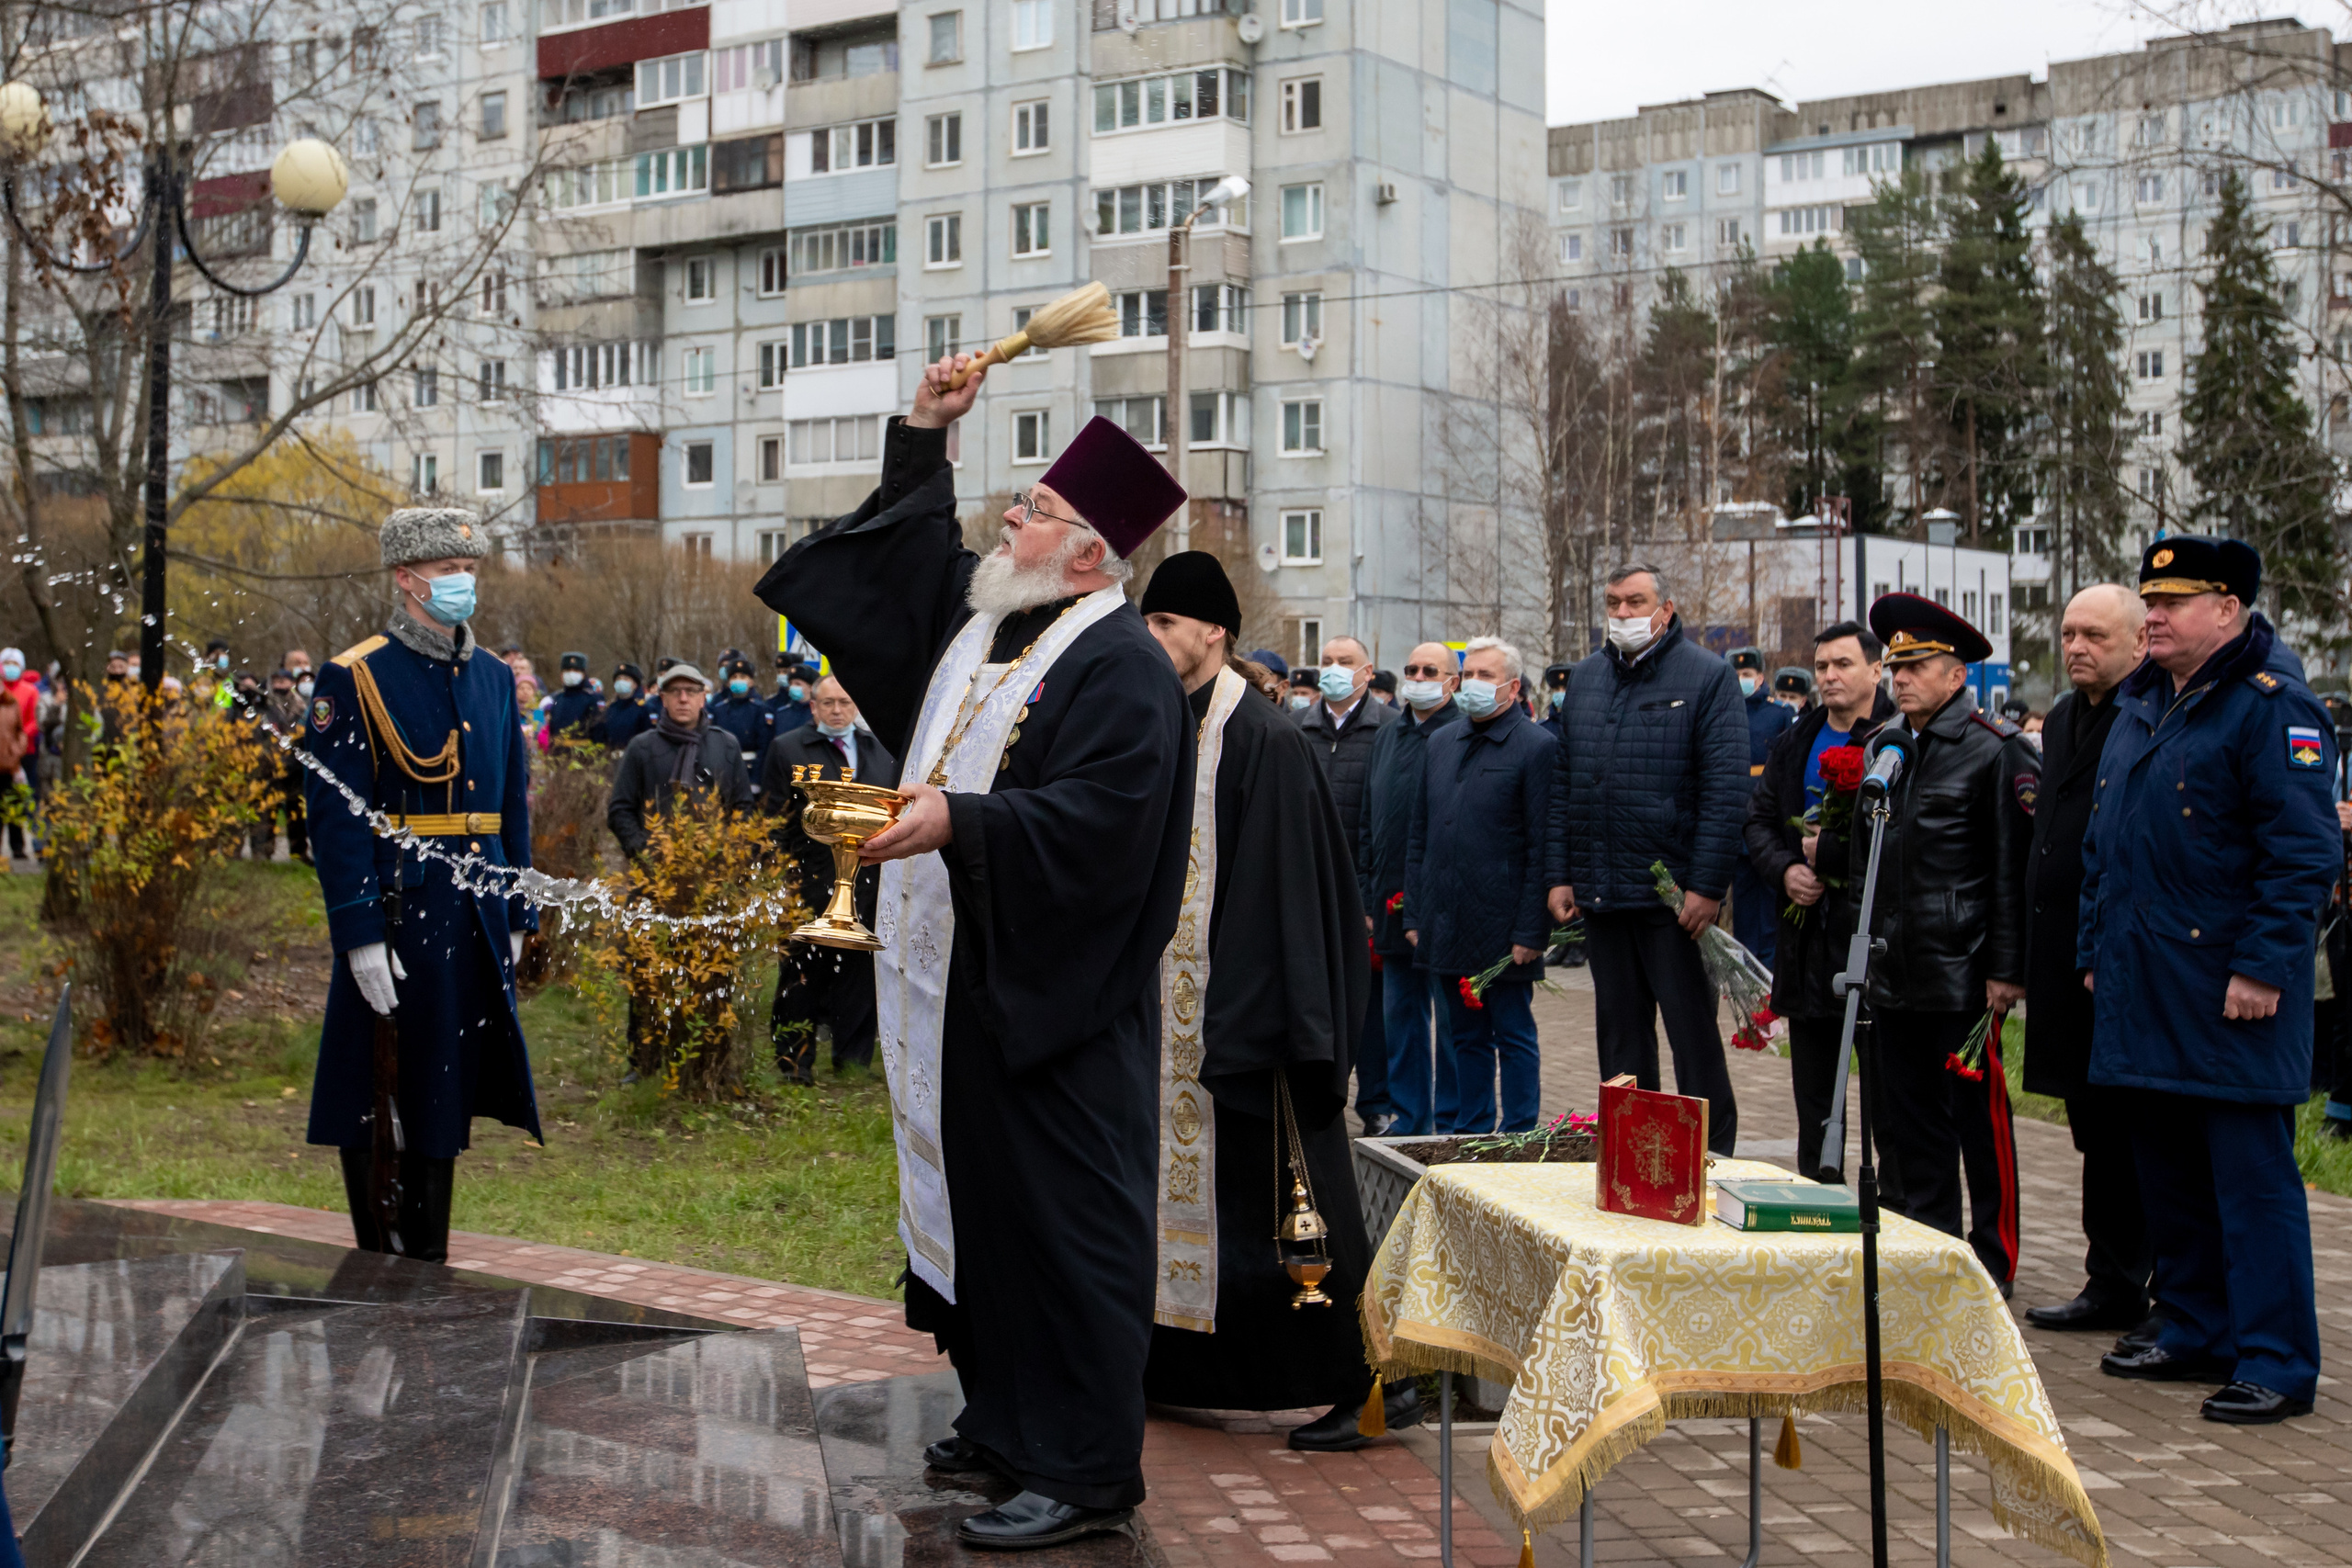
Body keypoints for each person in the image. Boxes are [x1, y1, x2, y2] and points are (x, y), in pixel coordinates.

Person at [754, 356, 1192, 1548]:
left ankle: (1089, 1465)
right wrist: (921, 433)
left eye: (1038, 508)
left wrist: (964, 821)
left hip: (1060, 997)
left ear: (1094, 552)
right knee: (990, 1212)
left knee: (1069, 1228)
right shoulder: (998, 628)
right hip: (967, 984)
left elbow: (1103, 821)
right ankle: (1006, 1419)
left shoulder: (1121, 667)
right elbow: (901, 570)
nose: (1011, 515)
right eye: (1020, 497)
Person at [1133, 551, 1418, 1449]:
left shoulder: (1260, 738)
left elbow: (1300, 896)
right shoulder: (1166, 723)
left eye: (1163, 629)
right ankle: (1181, 1366)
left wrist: (1284, 1029)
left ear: (1209, 634)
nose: (1149, 645)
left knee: (1303, 1212)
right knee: (1205, 1225)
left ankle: (1373, 1385)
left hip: (1258, 1021)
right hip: (1181, 1020)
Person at [2083, 536, 2336, 1425]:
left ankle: (2275, 1358)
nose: (2152, 614)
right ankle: (2194, 1324)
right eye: (2149, 600)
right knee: (2170, 1173)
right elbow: (2103, 844)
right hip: (2145, 981)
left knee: (2251, 1182)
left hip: (2233, 991)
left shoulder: (2274, 707)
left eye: (2175, 601)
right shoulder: (2142, 702)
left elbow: (2303, 854)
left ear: (2228, 611)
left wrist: (2266, 967)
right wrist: (2092, 950)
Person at [301, 507, 540, 1264]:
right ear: (406, 579)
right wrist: (359, 932)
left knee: (445, 1085)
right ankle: (383, 1255)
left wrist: (515, 905)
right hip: (402, 913)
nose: (461, 584)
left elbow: (510, 805)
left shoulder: (496, 678)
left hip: (471, 914)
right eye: (445, 572)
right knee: (379, 1086)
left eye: (468, 570)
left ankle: (427, 1258)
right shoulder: (356, 674)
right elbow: (338, 820)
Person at [1860, 592, 2038, 1294]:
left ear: (1957, 675)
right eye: (1895, 665)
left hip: (1962, 971)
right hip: (1894, 969)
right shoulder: (1885, 748)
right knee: (1910, 1125)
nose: (1901, 679)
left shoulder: (1994, 751)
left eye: (1918, 666)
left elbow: (2009, 869)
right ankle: (1933, 1244)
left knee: (1979, 1127)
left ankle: (1994, 1260)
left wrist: (2005, 970)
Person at [1546, 563, 1746, 1153]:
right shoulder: (1585, 680)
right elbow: (1565, 784)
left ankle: (1713, 1159)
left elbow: (1725, 788)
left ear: (1665, 608)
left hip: (1674, 901)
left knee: (1693, 1041)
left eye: (1636, 602)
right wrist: (1561, 875)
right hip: (1605, 896)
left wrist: (1706, 886)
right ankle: (1636, 1161)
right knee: (1623, 1045)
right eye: (1614, 602)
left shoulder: (1707, 677)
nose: (1624, 614)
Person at [2018, 585, 2154, 1337]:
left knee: (2129, 1129)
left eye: (2094, 635)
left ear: (2139, 643)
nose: (2076, 647)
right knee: (2090, 1126)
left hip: (2118, 957)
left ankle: (2140, 1277)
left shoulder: (2148, 711)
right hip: (2063, 956)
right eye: (2068, 632)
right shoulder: (2067, 716)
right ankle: (2110, 1277)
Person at [1742, 621, 1895, 1180]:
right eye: (1823, 665)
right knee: (1815, 1104)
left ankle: (1891, 1212)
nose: (1830, 676)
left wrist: (1829, 856)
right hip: (1806, 948)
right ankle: (1819, 1200)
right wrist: (1785, 871)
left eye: (1844, 664)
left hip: (1874, 948)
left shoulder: (1899, 740)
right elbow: (1758, 821)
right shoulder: (1797, 739)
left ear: (1876, 671)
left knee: (1889, 1105)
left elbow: (1905, 839)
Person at [1407, 637, 1555, 1134]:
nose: (1473, 685)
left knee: (1513, 1035)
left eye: (1485, 677)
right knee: (1464, 1039)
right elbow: (1419, 837)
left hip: (1504, 929)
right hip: (1447, 921)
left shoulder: (1537, 747)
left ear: (1512, 688)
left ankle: (1519, 1135)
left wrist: (1532, 931)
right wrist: (1415, 917)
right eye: (1469, 675)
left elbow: (1542, 846)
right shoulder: (1442, 743)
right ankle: (1471, 1134)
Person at [761, 674, 896, 1082]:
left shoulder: (881, 751)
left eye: (845, 702)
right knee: (801, 973)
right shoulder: (788, 749)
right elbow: (773, 821)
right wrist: (779, 876)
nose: (837, 710)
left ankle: (852, 1062)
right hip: (808, 878)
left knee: (858, 971)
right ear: (813, 707)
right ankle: (793, 1062)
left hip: (867, 880)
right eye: (828, 703)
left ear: (856, 707)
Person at [1361, 643, 1465, 1134]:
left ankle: (1450, 1119)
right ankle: (1409, 1115)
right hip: (1389, 899)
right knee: (1399, 1016)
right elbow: (1369, 821)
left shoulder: (1465, 734)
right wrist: (1365, 895)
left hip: (1443, 903)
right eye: (1411, 670)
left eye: (1430, 670)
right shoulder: (1388, 735)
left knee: (1449, 1022)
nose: (1418, 677)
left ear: (1453, 681)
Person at [1297, 633, 1396, 1134]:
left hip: (1363, 892)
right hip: (1307, 890)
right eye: (1327, 661)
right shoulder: (1298, 728)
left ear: (1368, 670)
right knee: (1313, 1000)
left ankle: (1376, 1103)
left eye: (1345, 661)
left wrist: (1371, 896)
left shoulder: (1390, 730)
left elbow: (1387, 823)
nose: (1333, 669)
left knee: (1369, 1007)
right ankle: (1315, 1098)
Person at [606, 664, 752, 858]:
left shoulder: (726, 745)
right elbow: (620, 809)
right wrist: (643, 851)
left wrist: (729, 852)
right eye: (675, 691)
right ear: (663, 699)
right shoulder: (642, 747)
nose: (683, 699)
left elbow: (743, 805)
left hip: (714, 867)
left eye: (691, 691)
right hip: (656, 872)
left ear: (703, 699)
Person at [1728, 647, 1795, 969]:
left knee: (1769, 899)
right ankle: (1744, 960)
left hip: (1768, 817)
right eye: (1737, 675)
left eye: (1746, 675)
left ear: (1760, 677)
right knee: (1742, 897)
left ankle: (1769, 965)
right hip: (1736, 816)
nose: (1741, 681)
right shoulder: (1724, 712)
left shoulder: (1779, 713)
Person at [251, 669, 311, 862]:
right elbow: (257, 736)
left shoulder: (302, 708)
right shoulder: (264, 706)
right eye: (276, 680)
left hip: (294, 768)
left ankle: (298, 851)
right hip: (269, 767)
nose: (280, 685)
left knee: (297, 813)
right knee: (266, 811)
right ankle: (262, 851)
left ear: (292, 683)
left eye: (284, 680)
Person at [709, 657, 775, 791]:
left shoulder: (760, 709)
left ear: (751, 682)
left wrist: (756, 780)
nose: (738, 680)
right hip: (723, 771)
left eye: (742, 676)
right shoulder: (719, 709)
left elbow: (764, 747)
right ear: (728, 682)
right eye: (734, 676)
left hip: (750, 772)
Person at [0, 648, 37, 861]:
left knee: (15, 802)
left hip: (17, 758)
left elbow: (26, 726)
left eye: (15, 664)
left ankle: (17, 847)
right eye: (7, 664)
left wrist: (16, 751)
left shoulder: (22, 696)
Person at [591, 663, 656, 750]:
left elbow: (649, 739)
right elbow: (599, 737)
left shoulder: (644, 709)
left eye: (626, 679)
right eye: (618, 679)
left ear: (635, 685)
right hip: (609, 758)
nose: (621, 682)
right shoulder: (609, 709)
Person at [543, 651, 603, 741]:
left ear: (583, 674)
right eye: (567, 670)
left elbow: (597, 733)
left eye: (576, 670)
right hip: (557, 751)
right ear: (561, 675)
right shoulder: (557, 699)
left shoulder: (592, 699)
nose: (571, 674)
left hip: (582, 753)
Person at [770, 655, 817, 736]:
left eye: (798, 684)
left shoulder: (817, 713)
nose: (793, 687)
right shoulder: (782, 714)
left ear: (810, 687)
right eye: (791, 683)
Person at [1538, 661, 1572, 739]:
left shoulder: (1581, 727)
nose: (1560, 693)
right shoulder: (1542, 728)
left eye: (1565, 689)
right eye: (1556, 689)